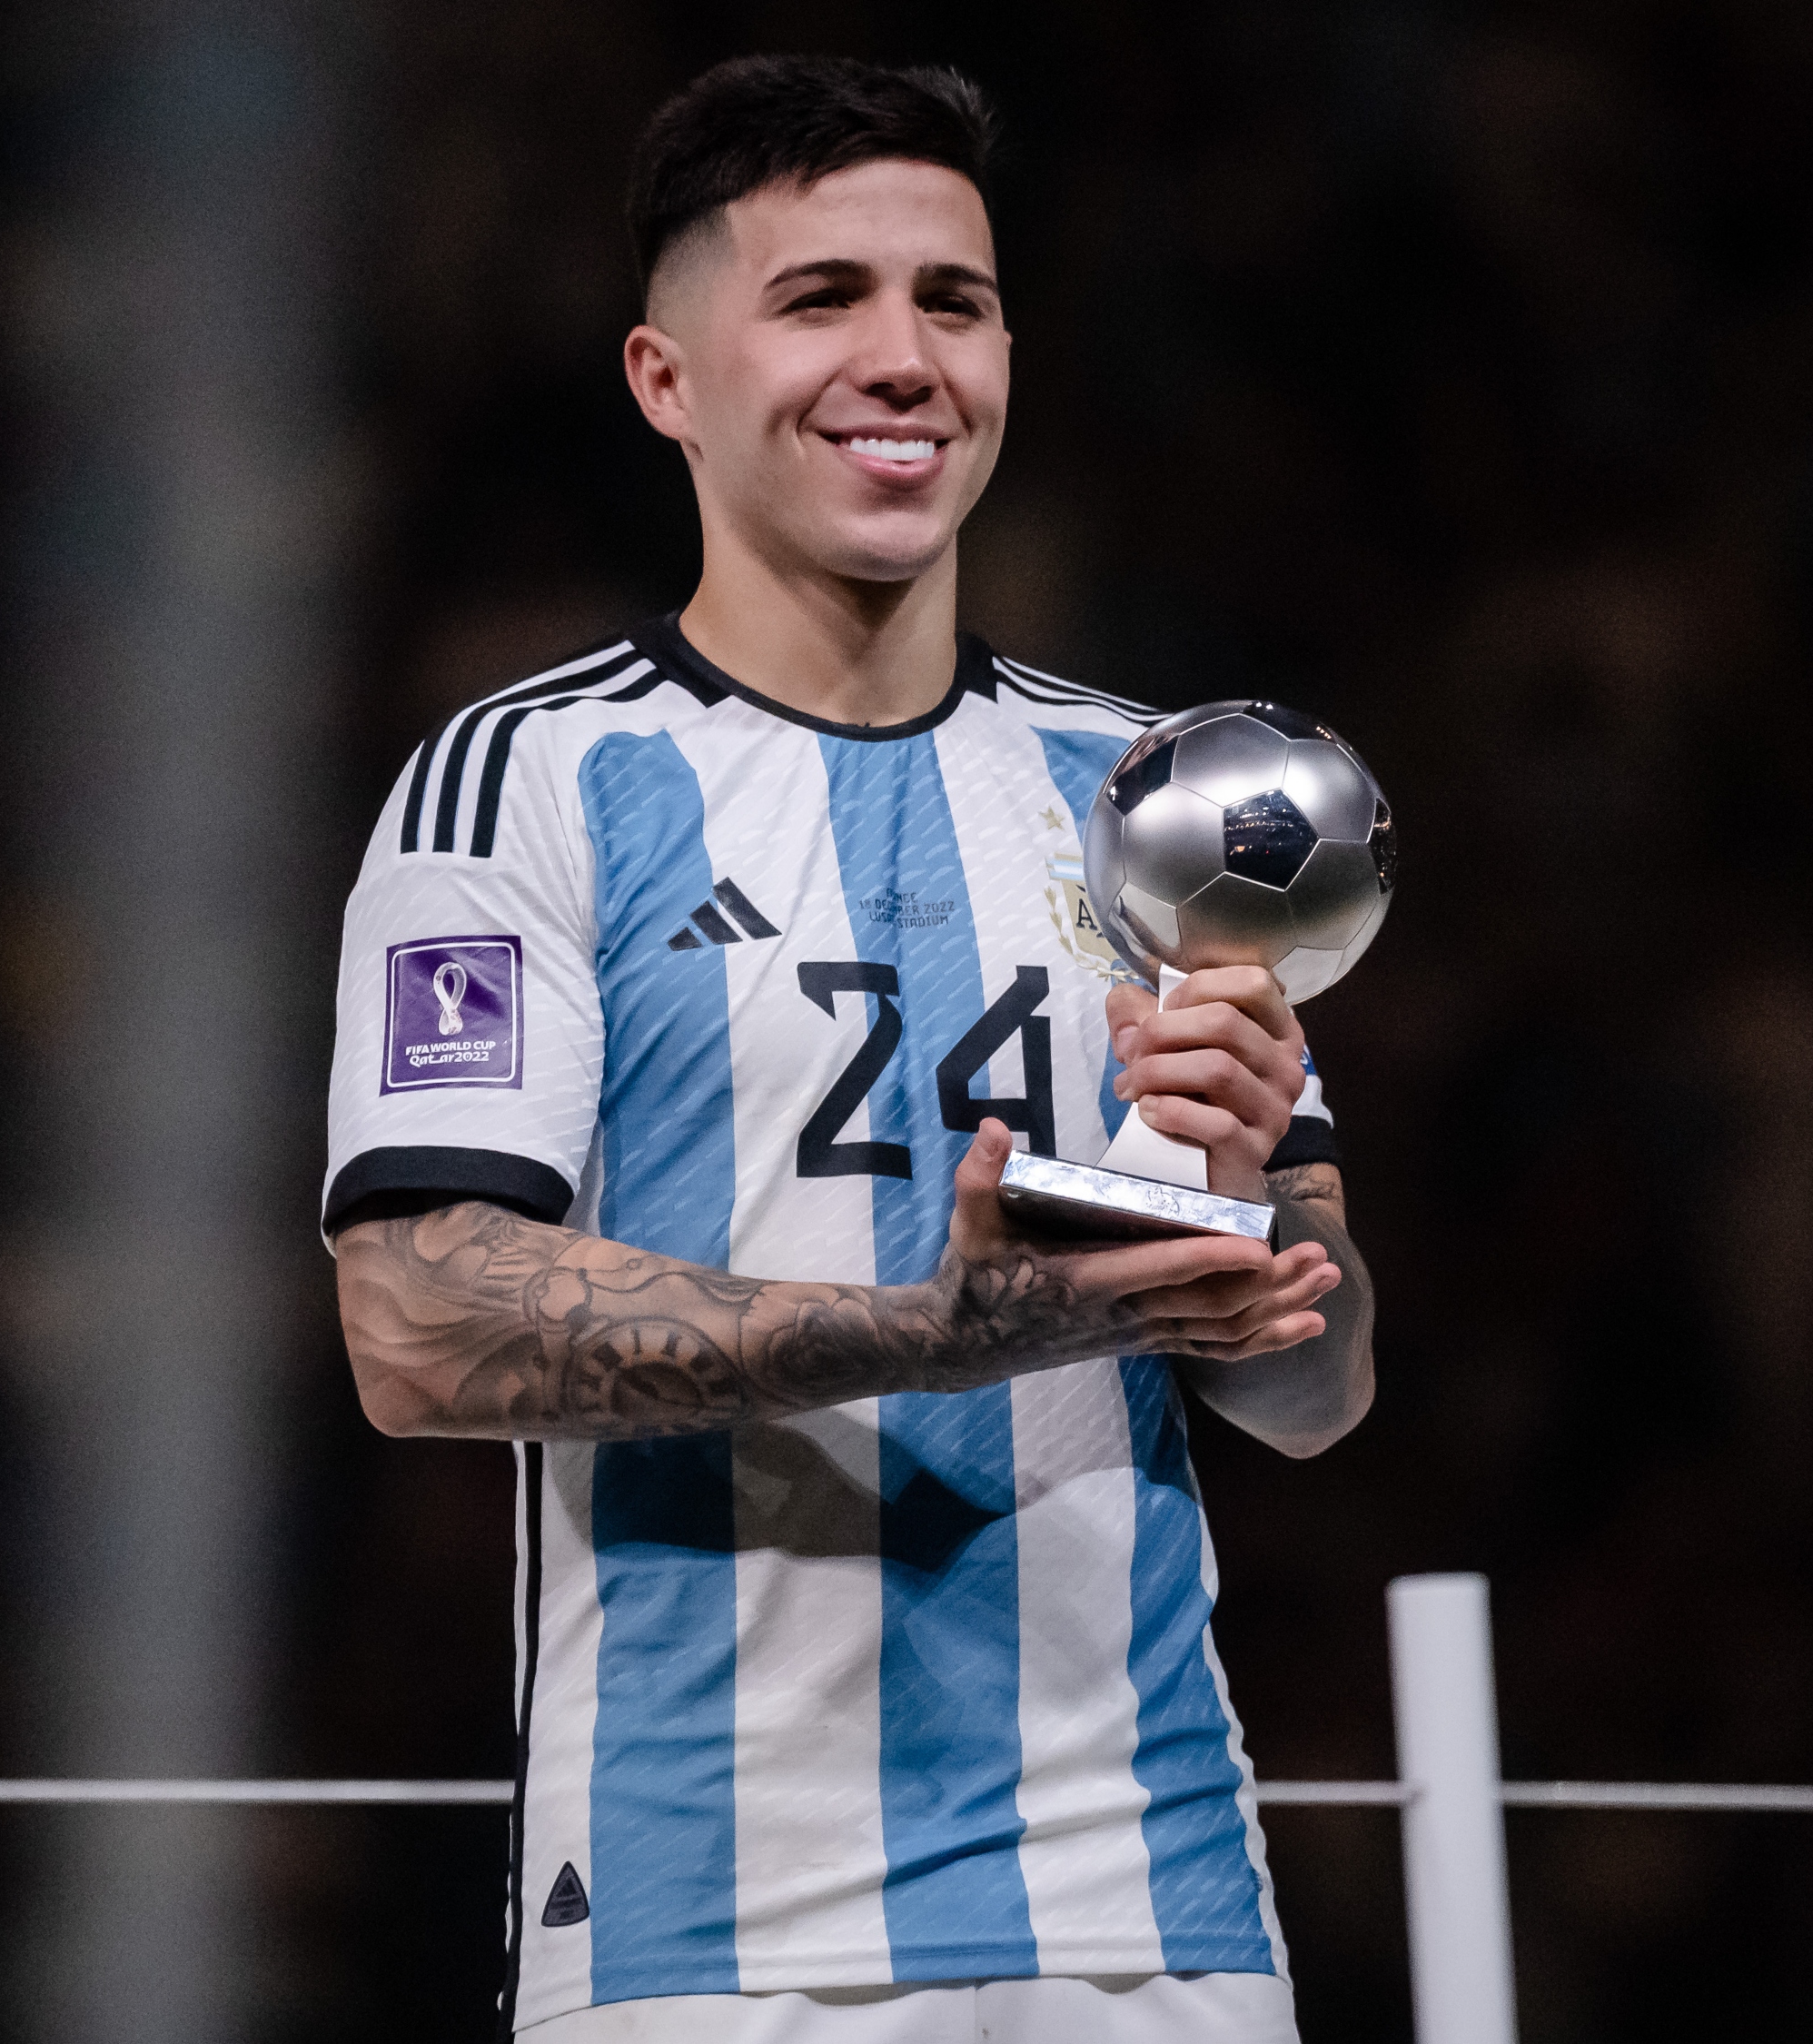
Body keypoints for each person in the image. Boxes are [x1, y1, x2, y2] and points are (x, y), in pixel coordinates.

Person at [322, 55, 1375, 2043]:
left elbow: (1319, 1399)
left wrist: (1256, 1231)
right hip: (704, 1918)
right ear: (666, 380)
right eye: (822, 299)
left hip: (1150, 1903)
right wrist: (944, 1331)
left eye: (951, 303)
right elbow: (414, 1324)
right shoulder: (528, 782)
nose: (903, 356)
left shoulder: (1152, 795)